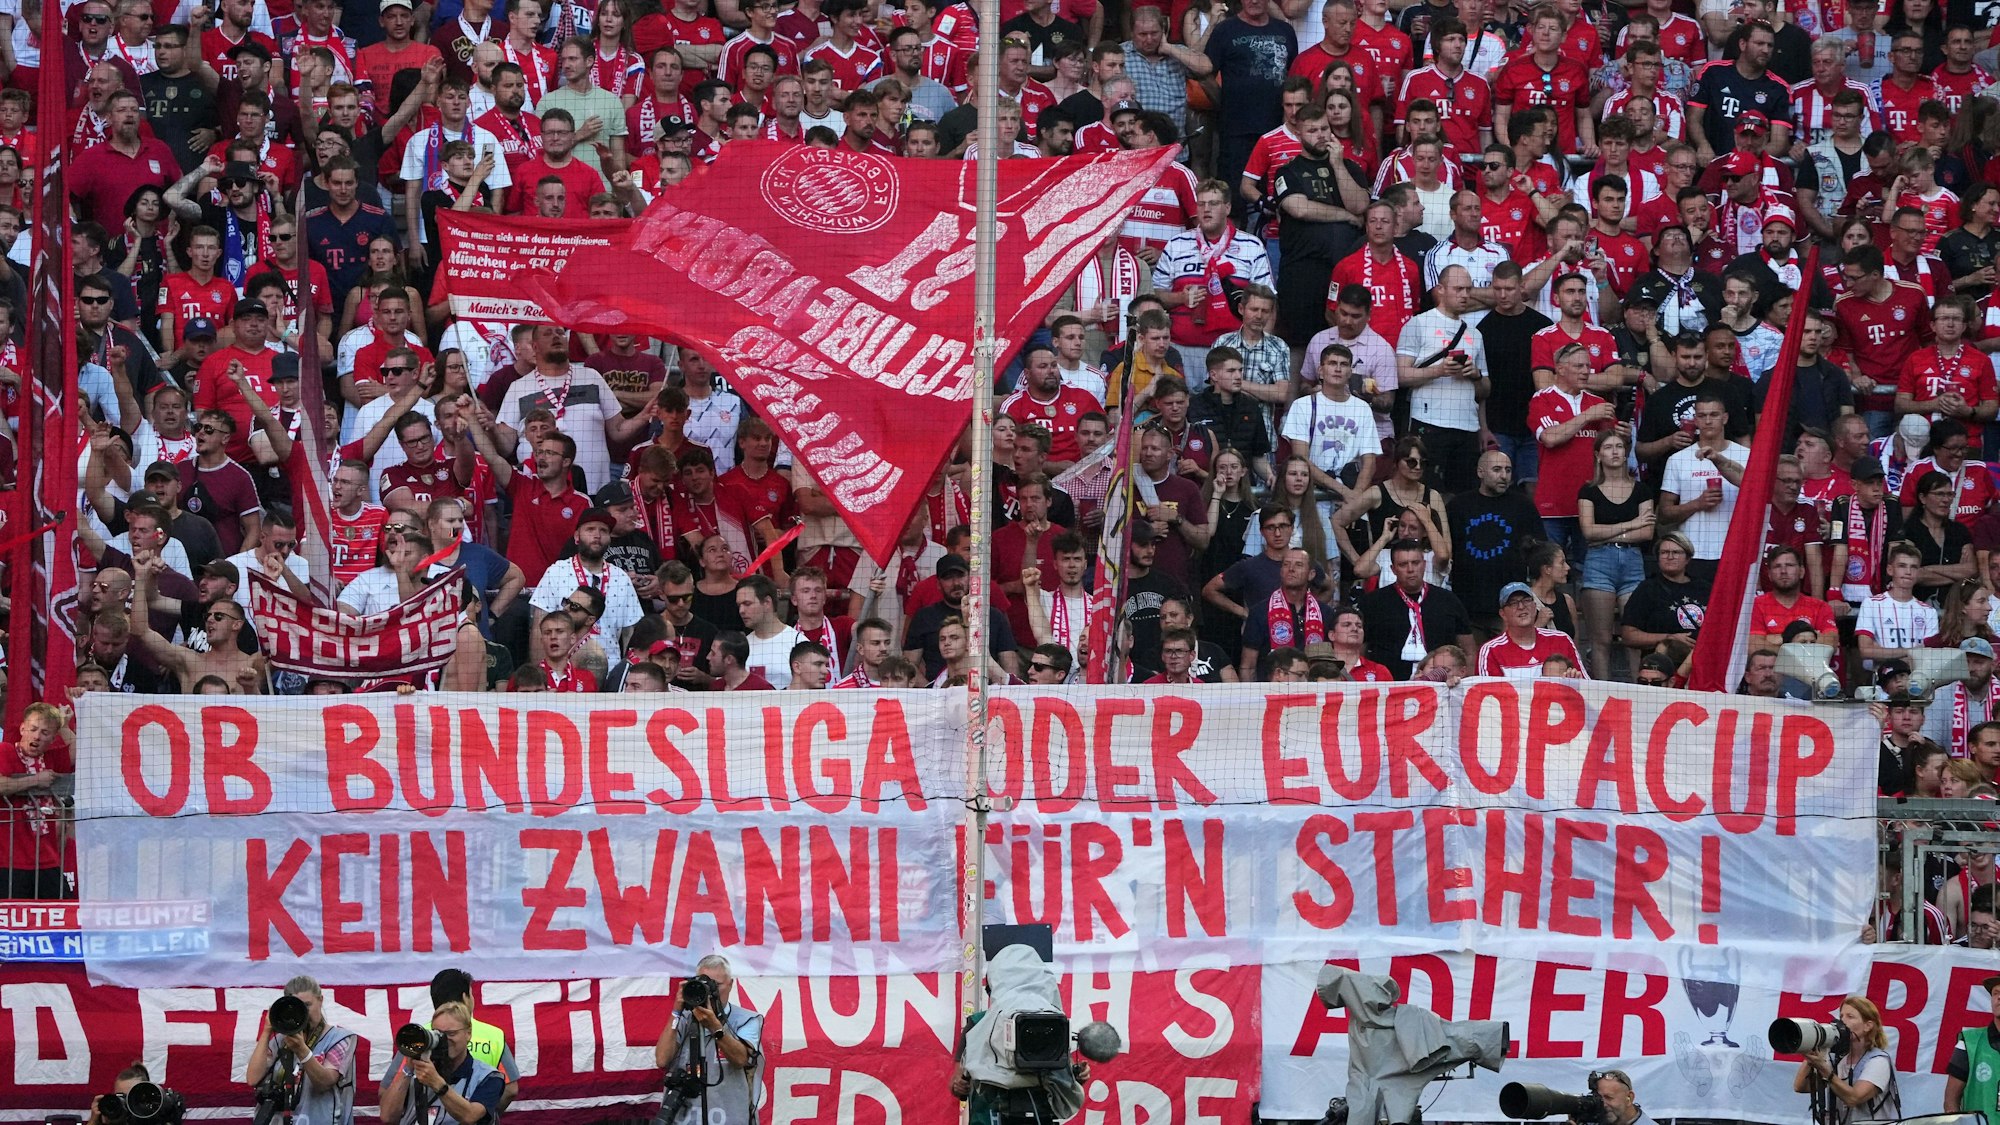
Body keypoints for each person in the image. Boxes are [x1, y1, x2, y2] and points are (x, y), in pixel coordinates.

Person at [245, 976, 359, 1125]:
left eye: (307, 1005)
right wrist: (267, 1031)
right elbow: (252, 1079)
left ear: (321, 1000)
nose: (303, 1012)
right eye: (297, 1007)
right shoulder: (280, 1040)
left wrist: (302, 1051)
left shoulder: (340, 1038)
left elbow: (324, 1083)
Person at [379, 1001, 504, 1125]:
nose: (444, 1040)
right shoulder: (418, 1072)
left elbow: (470, 1116)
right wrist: (408, 1069)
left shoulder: (489, 1077)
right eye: (437, 1034)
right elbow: (387, 1117)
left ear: (468, 1033)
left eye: (451, 1034)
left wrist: (436, 1083)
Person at [0, 704, 72, 900]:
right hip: (10, 861)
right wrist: (35, 780)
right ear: (22, 729)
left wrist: (64, 725)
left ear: (52, 738)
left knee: (62, 915)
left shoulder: (52, 758)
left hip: (48, 860)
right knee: (11, 921)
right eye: (33, 730)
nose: (37, 736)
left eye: (45, 732)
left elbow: (78, 753)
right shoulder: (5, 751)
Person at [1795, 996, 1899, 1125]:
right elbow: (1800, 1086)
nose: (1842, 1021)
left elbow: (1854, 1098)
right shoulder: (1838, 1059)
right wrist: (1814, 1050)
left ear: (1868, 1026)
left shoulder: (1878, 1061)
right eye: (1841, 1016)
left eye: (1850, 1016)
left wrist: (1826, 1072)